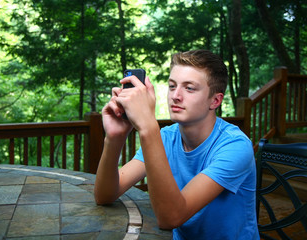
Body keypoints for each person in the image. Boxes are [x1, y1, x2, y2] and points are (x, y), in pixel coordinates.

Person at [94, 49, 259, 239]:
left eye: (189, 88)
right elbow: (105, 195)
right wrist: (114, 138)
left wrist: (147, 126)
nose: (176, 96)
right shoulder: (166, 137)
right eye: (172, 86)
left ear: (215, 100)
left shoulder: (235, 146)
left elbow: (171, 218)